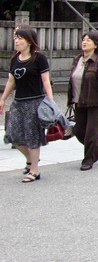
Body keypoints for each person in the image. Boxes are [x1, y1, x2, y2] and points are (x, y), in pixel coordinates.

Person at [0, 27, 53, 183]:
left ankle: (35, 171)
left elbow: (45, 81)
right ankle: (31, 160)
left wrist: (50, 101)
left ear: (29, 41)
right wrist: (3, 99)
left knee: (33, 136)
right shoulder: (15, 59)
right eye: (15, 38)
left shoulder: (39, 59)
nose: (16, 41)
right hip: (18, 102)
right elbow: (11, 81)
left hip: (35, 102)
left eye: (20, 38)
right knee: (13, 135)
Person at [69, 31, 98, 171]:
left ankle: (88, 159)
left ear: (96, 45)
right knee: (78, 130)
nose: (84, 42)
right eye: (83, 39)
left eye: (88, 40)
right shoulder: (77, 59)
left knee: (91, 133)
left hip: (95, 101)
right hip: (79, 101)